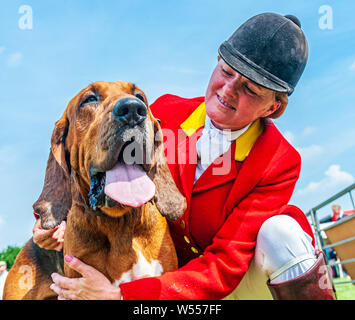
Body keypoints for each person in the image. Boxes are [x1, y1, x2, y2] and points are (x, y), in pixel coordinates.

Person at [34, 13, 335, 300]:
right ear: (217, 62)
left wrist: (122, 295)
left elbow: (225, 263)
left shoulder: (280, 161)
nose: (227, 91)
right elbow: (93, 161)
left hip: (232, 284)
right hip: (159, 277)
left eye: (250, 89)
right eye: (226, 72)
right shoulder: (163, 112)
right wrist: (50, 221)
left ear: (273, 108)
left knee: (281, 233)